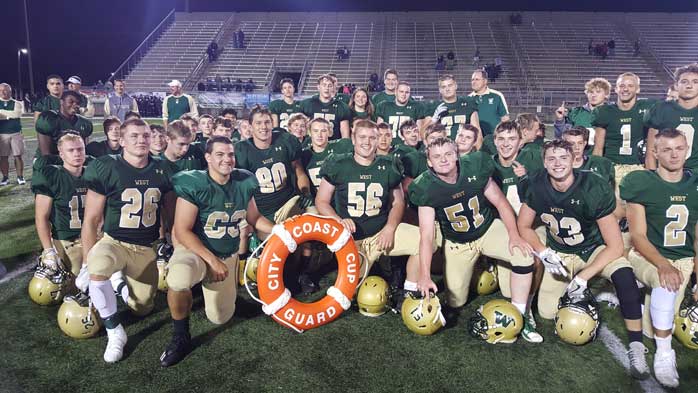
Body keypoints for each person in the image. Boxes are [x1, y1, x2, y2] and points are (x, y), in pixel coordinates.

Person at [518, 139, 647, 379]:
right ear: (544, 162)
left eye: (563, 158)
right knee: (546, 313)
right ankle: (578, 291)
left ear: (573, 159)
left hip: (594, 248)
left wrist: (584, 276)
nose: (557, 163)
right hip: (561, 252)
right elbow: (523, 225)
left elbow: (615, 245)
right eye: (551, 159)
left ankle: (637, 347)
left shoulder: (592, 186)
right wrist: (543, 251)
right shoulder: (535, 184)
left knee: (624, 275)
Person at [159, 136, 274, 367]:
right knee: (179, 278)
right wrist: (211, 261)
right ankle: (180, 336)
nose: (227, 159)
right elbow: (182, 231)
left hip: (226, 253)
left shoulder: (244, 181)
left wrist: (281, 231)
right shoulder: (195, 184)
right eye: (220, 154)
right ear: (208, 158)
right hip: (195, 251)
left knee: (220, 317)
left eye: (230, 154)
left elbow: (255, 218)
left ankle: (230, 297)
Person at [408, 137, 535, 338]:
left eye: (448, 154)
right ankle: (484, 266)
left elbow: (501, 203)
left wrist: (514, 235)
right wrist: (424, 275)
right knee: (456, 301)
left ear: (457, 155)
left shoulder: (475, 166)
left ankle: (521, 314)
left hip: (486, 229)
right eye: (437, 156)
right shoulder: (425, 187)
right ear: (429, 162)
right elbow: (426, 235)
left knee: (524, 255)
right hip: (458, 243)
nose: (444, 160)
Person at [77, 118, 176, 363]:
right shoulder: (107, 167)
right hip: (114, 242)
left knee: (142, 307)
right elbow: (90, 220)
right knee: (97, 268)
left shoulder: (163, 169)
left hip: (146, 248)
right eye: (134, 136)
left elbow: (171, 215)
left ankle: (119, 284)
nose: (141, 140)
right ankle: (115, 331)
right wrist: (87, 263)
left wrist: (173, 247)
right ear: (121, 141)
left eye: (145, 135)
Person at [316, 119, 426, 305]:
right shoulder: (338, 164)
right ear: (353, 138)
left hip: (380, 234)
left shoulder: (389, 165)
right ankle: (380, 267)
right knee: (349, 296)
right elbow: (321, 201)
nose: (367, 142)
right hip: (352, 239)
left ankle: (409, 291)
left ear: (377, 140)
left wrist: (390, 228)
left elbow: (398, 203)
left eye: (372, 137)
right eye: (362, 137)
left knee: (424, 242)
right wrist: (338, 220)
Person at [620, 128, 698, 388]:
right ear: (654, 152)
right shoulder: (641, 181)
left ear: (687, 149)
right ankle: (665, 355)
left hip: (684, 259)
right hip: (647, 255)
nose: (674, 155)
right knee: (667, 283)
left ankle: (637, 300)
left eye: (679, 148)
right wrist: (664, 265)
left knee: (653, 326)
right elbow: (638, 235)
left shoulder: (695, 183)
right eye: (666, 149)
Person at [592, 73, 657, 218]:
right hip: (612, 167)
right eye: (622, 85)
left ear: (638, 89)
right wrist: (596, 173)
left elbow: (653, 144)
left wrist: (651, 171)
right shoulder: (605, 112)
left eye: (630, 85)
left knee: (639, 213)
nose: (625, 89)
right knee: (611, 212)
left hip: (638, 167)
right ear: (616, 89)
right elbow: (598, 147)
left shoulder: (647, 108)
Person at [234, 105, 310, 228]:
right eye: (258, 123)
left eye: (267, 122)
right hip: (260, 211)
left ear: (272, 123)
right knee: (271, 241)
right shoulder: (241, 150)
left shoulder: (285, 140)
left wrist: (305, 192)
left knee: (311, 220)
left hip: (288, 203)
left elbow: (299, 171)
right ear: (251, 126)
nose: (263, 127)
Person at [32, 133, 89, 277]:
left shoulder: (94, 174)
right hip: (68, 241)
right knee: (74, 284)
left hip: (93, 238)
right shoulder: (51, 176)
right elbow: (41, 217)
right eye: (71, 150)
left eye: (80, 149)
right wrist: (49, 250)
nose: (77, 153)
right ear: (61, 154)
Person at [645, 63, 698, 171]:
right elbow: (650, 150)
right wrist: (652, 177)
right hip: (667, 174)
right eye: (684, 81)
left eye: (695, 82)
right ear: (676, 85)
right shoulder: (661, 109)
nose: (689, 86)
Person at [422, 74, 482, 146]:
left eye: (450, 85)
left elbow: (477, 131)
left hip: (464, 146)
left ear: (456, 86)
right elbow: (423, 134)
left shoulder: (468, 103)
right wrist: (434, 119)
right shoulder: (434, 106)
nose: (447, 89)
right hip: (442, 147)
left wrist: (478, 153)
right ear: (440, 90)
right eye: (444, 87)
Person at [36, 91, 93, 157]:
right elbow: (45, 154)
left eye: (77, 103)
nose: (75, 105)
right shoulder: (49, 119)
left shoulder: (84, 123)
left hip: (73, 160)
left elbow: (83, 150)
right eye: (71, 102)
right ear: (61, 102)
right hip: (52, 161)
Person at [554, 77, 611, 144]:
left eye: (598, 92)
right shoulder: (575, 113)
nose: (594, 95)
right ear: (586, 93)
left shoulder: (611, 113)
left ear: (606, 94)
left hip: (603, 153)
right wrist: (560, 120)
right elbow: (561, 137)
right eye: (591, 92)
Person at [300, 74, 351, 140]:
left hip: (333, 144)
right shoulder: (307, 104)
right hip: (312, 144)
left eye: (329, 86)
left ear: (333, 87)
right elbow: (301, 129)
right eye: (324, 85)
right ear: (318, 87)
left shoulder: (341, 106)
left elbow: (345, 136)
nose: (327, 88)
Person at [468, 70, 509, 137]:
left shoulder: (497, 96)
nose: (473, 82)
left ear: (485, 81)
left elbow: (505, 119)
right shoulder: (468, 99)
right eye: (472, 80)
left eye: (477, 79)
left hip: (494, 138)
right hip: (476, 140)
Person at [0, 83, 26, 185]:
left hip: (16, 133)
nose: (3, 92)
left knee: (18, 156)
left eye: (5, 90)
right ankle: (5, 177)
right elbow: (12, 115)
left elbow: (17, 114)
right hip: (1, 134)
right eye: (1, 90)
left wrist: (2, 114)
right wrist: (9, 115)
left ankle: (20, 176)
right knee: (3, 157)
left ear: (10, 91)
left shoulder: (17, 103)